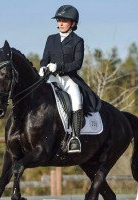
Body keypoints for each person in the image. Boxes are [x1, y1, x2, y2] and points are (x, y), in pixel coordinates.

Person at [39, 5, 101, 153]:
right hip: (51, 78)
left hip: (68, 78)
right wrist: (42, 67)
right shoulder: (51, 39)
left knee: (76, 100)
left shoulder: (77, 41)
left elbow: (77, 64)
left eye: (64, 21)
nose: (60, 23)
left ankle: (75, 137)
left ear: (73, 23)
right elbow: (44, 59)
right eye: (59, 20)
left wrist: (59, 66)